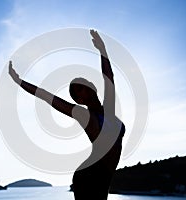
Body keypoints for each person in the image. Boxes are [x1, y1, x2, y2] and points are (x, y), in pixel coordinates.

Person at [9, 29, 125, 200]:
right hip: (90, 176)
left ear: (91, 85)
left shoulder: (109, 108)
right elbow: (48, 97)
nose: (81, 92)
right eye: (77, 93)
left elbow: (109, 77)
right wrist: (19, 82)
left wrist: (102, 50)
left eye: (81, 86)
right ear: (78, 100)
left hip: (104, 178)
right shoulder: (84, 115)